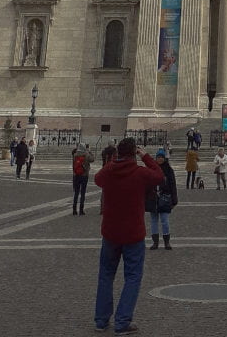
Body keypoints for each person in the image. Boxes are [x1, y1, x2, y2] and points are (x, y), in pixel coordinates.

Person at [94, 138, 163, 334]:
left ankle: (101, 320)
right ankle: (122, 322)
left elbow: (98, 179)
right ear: (134, 153)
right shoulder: (140, 173)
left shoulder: (109, 171)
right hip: (133, 234)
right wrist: (146, 156)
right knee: (133, 277)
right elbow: (159, 175)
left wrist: (113, 160)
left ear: (118, 153)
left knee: (106, 276)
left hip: (110, 233)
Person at [146, 149, 178, 250]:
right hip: (153, 198)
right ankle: (155, 242)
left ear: (164, 158)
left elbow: (173, 184)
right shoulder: (151, 169)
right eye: (158, 157)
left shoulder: (169, 170)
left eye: (161, 157)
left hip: (165, 198)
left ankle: (166, 242)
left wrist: (174, 199)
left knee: (165, 221)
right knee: (154, 221)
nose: (160, 159)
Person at [72, 143, 95, 216]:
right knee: (83, 192)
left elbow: (73, 165)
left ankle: (74, 210)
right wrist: (89, 151)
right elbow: (92, 159)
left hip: (76, 175)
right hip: (84, 175)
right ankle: (81, 210)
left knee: (76, 192)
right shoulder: (86, 154)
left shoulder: (75, 155)